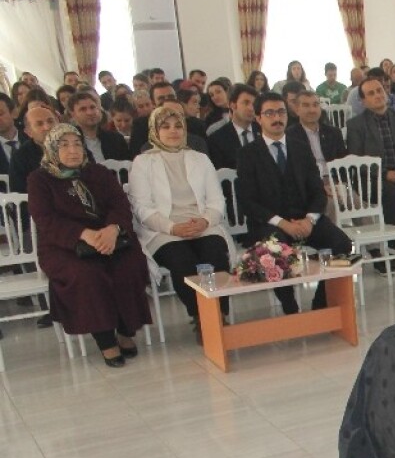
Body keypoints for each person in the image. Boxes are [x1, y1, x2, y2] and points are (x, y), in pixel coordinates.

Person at [27, 124, 151, 367]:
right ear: (51, 147)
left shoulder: (98, 173)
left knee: (129, 266)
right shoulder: (39, 180)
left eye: (77, 144)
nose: (72, 150)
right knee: (88, 275)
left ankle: (126, 331)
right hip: (64, 245)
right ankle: (106, 340)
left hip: (110, 237)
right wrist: (83, 234)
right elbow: (45, 220)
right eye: (64, 145)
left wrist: (111, 229)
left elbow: (120, 205)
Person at [235, 92, 353, 314]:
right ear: (259, 119)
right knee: (275, 252)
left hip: (305, 218)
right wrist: (283, 223)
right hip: (270, 223)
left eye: (280, 112)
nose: (276, 118)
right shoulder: (247, 154)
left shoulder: (300, 147)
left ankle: (321, 302)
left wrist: (310, 219)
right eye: (269, 113)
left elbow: (318, 192)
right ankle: (290, 306)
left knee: (342, 245)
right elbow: (248, 202)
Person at [128, 107, 232, 340]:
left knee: (215, 255)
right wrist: (172, 227)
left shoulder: (200, 158)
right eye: (165, 127)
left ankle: (219, 313)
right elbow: (142, 207)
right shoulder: (143, 162)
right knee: (183, 260)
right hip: (164, 229)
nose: (172, 131)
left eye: (177, 126)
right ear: (154, 131)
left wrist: (205, 221)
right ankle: (200, 317)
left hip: (202, 224)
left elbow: (216, 200)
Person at [344, 78, 395, 270]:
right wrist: (384, 174)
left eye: (379, 91)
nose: (377, 95)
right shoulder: (356, 125)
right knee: (393, 195)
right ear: (363, 101)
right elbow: (357, 160)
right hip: (373, 179)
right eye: (371, 93)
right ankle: (393, 251)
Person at [208, 84, 259, 170]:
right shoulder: (217, 139)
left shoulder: (264, 131)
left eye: (254, 104)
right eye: (246, 103)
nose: (251, 108)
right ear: (232, 105)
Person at [69, 90, 130, 163]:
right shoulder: (68, 143)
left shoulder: (116, 139)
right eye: (83, 109)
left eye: (92, 107)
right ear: (73, 114)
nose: (90, 112)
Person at [8, 104, 57, 193]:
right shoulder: (20, 158)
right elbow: (20, 195)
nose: (47, 127)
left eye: (50, 121)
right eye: (39, 124)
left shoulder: (74, 145)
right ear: (28, 132)